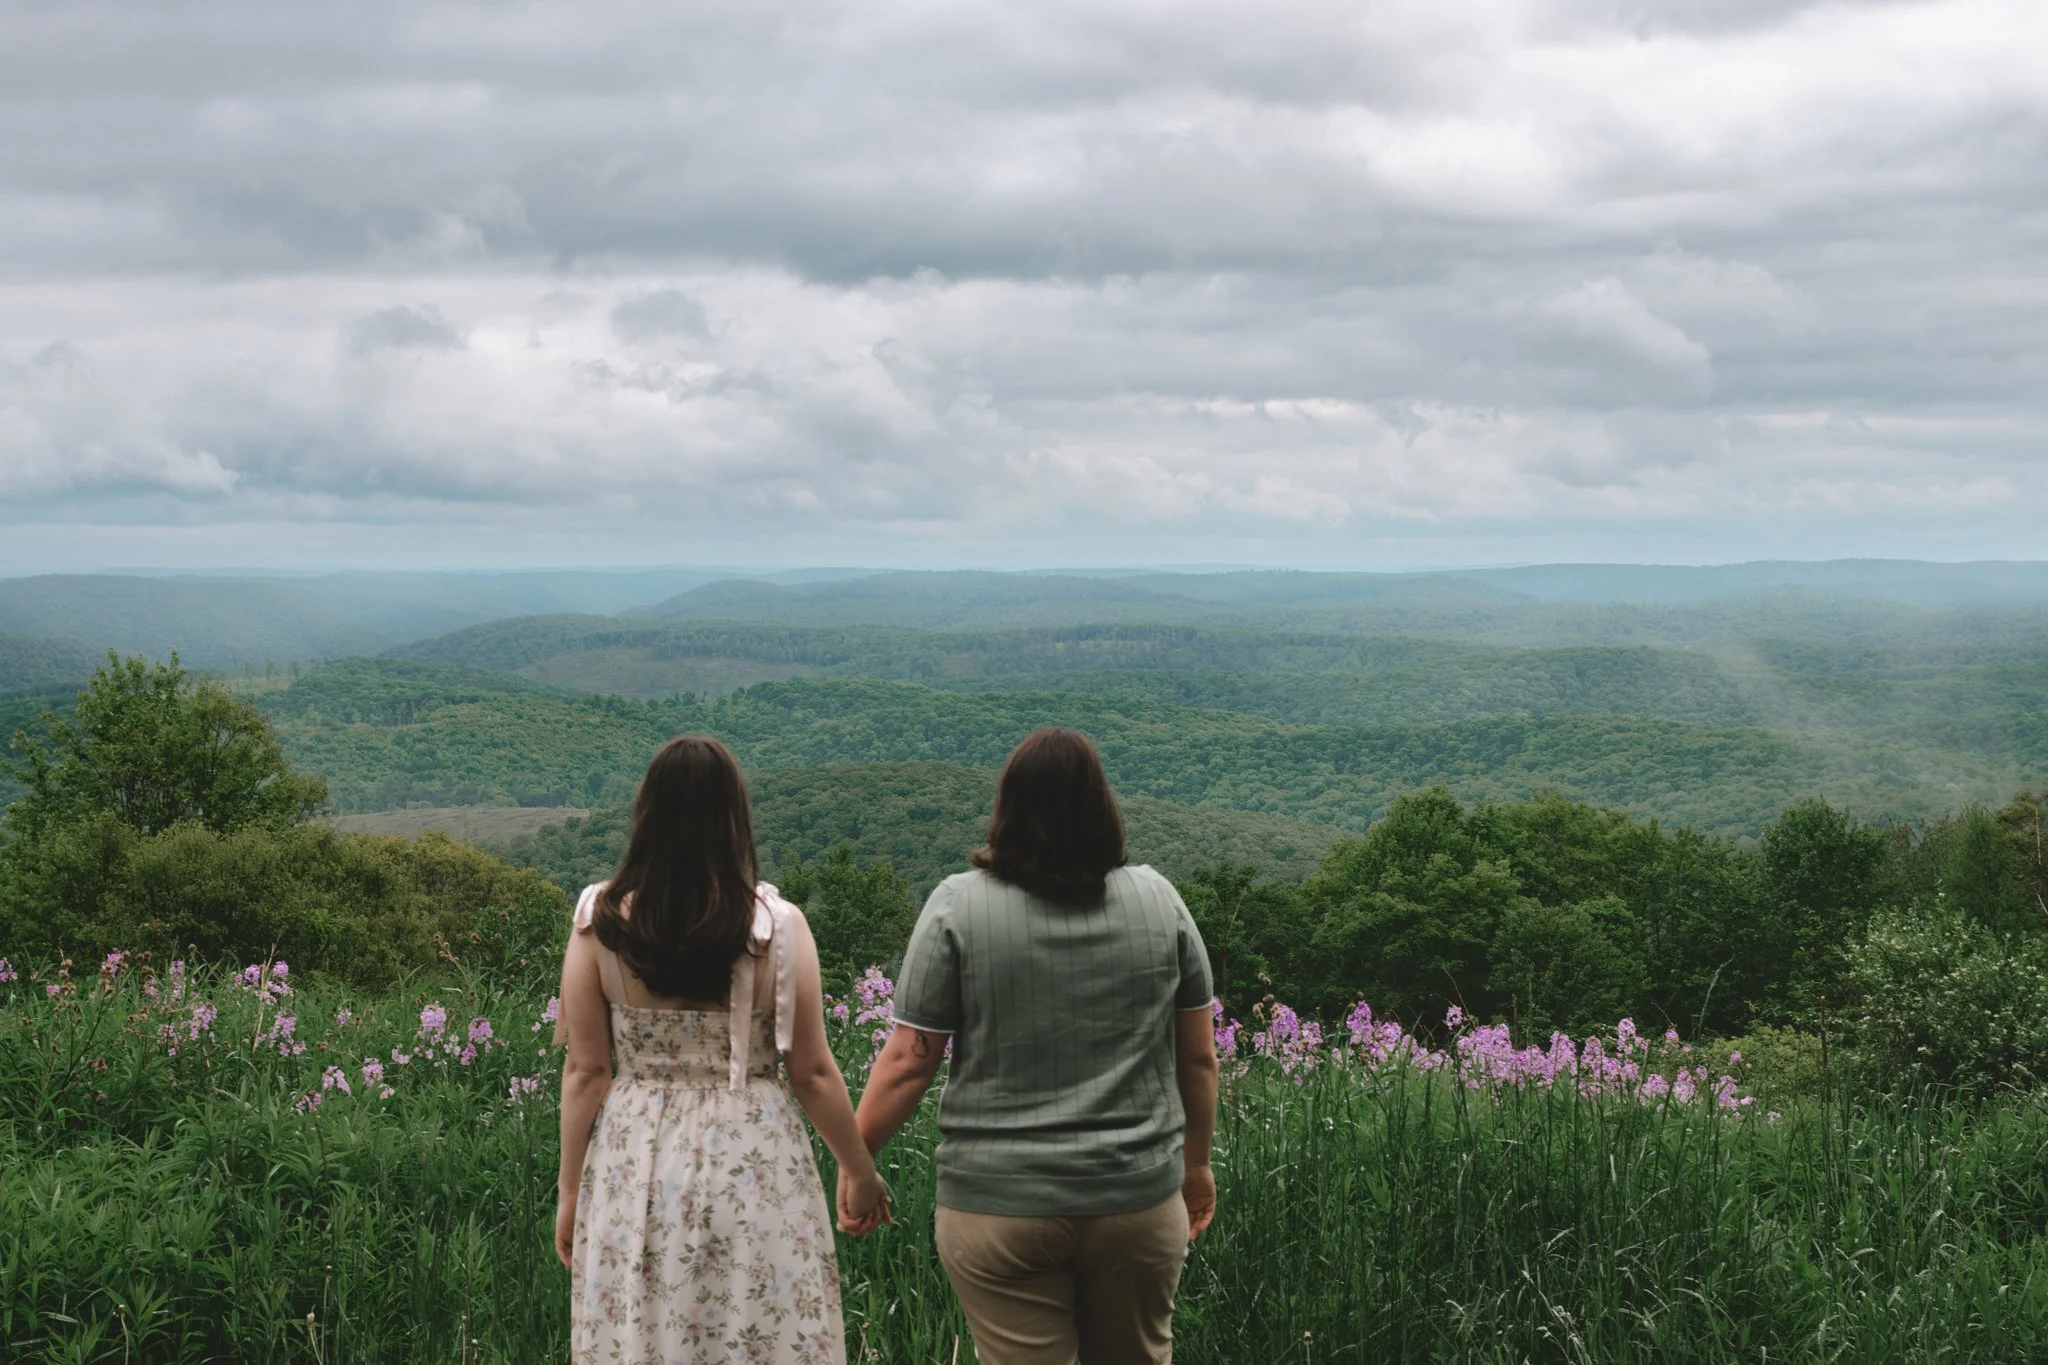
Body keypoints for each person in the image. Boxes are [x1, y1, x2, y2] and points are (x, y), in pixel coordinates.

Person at [853, 727, 1221, 1365]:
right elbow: (1198, 1058)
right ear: (1103, 807)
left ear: (1008, 809)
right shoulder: (1160, 900)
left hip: (999, 1209)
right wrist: (1195, 1166)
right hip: (1135, 1199)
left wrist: (855, 1164)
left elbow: (911, 1061)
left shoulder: (956, 907)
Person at [554, 735, 887, 1364]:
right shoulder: (777, 928)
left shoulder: (600, 923)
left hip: (635, 1157)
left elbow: (586, 1071)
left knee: (645, 1327)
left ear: (647, 816)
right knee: (755, 1327)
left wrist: (571, 1192)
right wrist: (861, 1173)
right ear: (734, 818)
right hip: (753, 1154)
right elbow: (812, 1072)